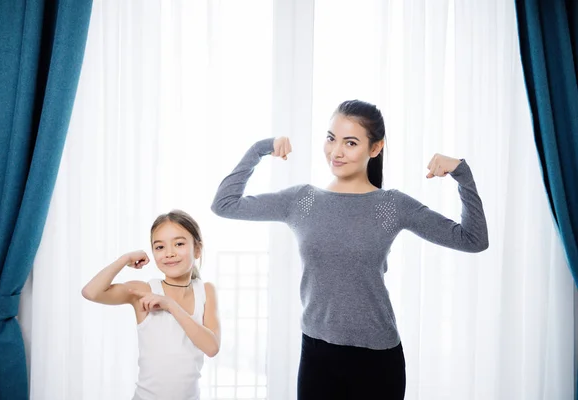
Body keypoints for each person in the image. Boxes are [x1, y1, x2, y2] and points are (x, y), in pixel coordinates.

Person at [210, 99, 488, 400]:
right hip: (317, 355)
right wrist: (261, 148)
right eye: (331, 138)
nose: (336, 151)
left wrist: (462, 173)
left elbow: (473, 240)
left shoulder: (391, 206)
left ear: (375, 148)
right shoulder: (302, 201)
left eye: (350, 142)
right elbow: (224, 204)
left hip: (377, 361)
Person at [82, 210, 221, 400]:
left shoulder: (206, 291)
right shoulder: (145, 291)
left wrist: (171, 305)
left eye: (179, 244)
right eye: (159, 247)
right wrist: (124, 260)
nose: (169, 253)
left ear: (197, 249)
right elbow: (91, 292)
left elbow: (211, 347)